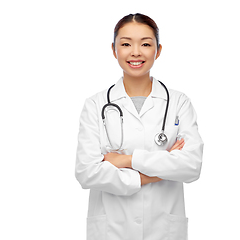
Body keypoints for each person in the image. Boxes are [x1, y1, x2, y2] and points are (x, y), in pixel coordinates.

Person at [75, 13, 204, 240]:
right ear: (114, 50)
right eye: (126, 44)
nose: (136, 52)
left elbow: (191, 166)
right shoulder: (95, 105)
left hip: (164, 230)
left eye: (145, 44)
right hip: (112, 229)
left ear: (159, 50)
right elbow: (87, 173)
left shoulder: (178, 103)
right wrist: (158, 172)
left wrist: (125, 160)